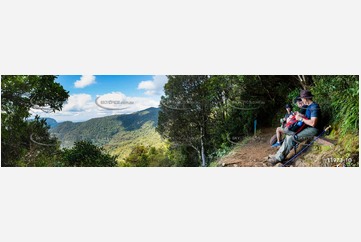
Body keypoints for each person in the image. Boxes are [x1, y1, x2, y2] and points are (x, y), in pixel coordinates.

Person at [268, 90, 321, 165]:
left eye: (302, 99)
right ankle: (278, 155)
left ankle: (278, 158)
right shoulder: (309, 106)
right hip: (307, 127)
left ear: (305, 98)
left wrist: (301, 119)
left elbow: (313, 123)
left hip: (313, 129)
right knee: (288, 135)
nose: (301, 101)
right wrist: (301, 116)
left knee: (292, 137)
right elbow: (308, 118)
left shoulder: (314, 107)